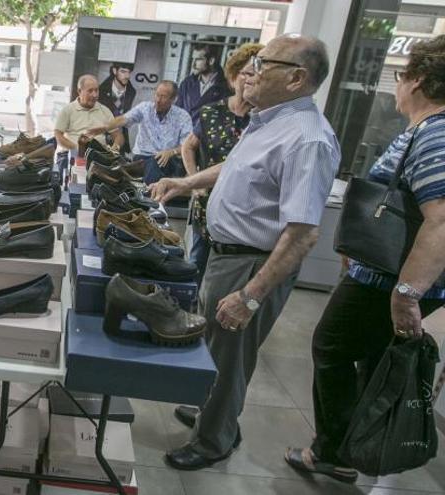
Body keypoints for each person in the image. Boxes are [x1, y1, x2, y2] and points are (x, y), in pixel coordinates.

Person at [151, 33, 340, 470]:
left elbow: (302, 233)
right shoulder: (269, 121)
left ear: (296, 78)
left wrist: (251, 295)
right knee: (217, 347)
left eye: (263, 63)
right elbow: (235, 167)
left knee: (230, 354)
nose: (250, 72)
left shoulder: (307, 139)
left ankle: (214, 439)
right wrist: (186, 183)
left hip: (251, 262)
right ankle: (213, 410)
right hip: (226, 254)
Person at [285, 35, 445, 484]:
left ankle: (334, 450)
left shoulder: (436, 133)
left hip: (386, 282)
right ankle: (356, 447)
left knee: (331, 347)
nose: (397, 85)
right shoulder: (426, 131)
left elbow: (441, 220)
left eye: (401, 75)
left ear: (419, 80)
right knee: (370, 359)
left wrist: (407, 293)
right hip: (380, 274)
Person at [182, 43, 263, 285]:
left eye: (255, 75)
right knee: (197, 263)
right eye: (245, 74)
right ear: (233, 76)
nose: (249, 80)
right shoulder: (211, 112)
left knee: (228, 276)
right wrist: (193, 182)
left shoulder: (262, 118)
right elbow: (189, 146)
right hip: (208, 202)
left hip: (244, 210)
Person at [87, 81, 192, 184]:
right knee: (151, 164)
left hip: (167, 159)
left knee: (163, 164)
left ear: (173, 99)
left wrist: (171, 152)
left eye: (163, 97)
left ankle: (141, 190)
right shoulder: (145, 108)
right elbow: (123, 119)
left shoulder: (183, 117)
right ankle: (149, 194)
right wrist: (104, 127)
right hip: (142, 158)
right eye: (156, 95)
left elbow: (187, 145)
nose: (158, 100)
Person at [54, 75, 123, 158]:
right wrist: (76, 148)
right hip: (73, 155)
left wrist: (114, 149)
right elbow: (58, 135)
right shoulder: (67, 110)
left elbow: (118, 136)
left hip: (99, 157)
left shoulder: (105, 111)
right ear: (79, 91)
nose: (94, 95)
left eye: (96, 90)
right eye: (90, 91)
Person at [177, 40, 232, 125]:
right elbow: (176, 113)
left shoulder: (227, 87)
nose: (193, 64)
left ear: (211, 61)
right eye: (193, 59)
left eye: (198, 59)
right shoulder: (186, 83)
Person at [99, 63, 137, 154]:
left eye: (129, 72)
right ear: (114, 71)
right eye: (123, 71)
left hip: (121, 139)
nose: (127, 76)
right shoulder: (101, 90)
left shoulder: (132, 92)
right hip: (102, 137)